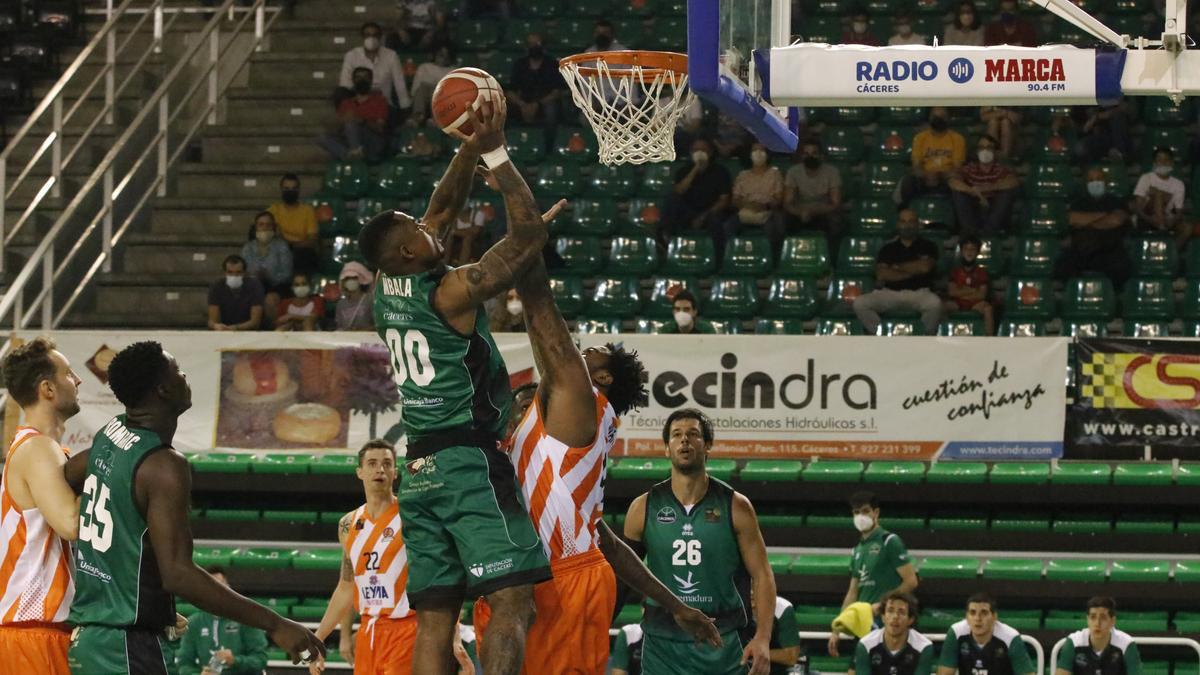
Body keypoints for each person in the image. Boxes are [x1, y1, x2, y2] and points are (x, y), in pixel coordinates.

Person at [469, 205, 720, 672]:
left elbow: (541, 312)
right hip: (553, 568)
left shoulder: (583, 404)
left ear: (599, 378)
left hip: (562, 579)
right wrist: (675, 604)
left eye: (590, 354)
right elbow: (607, 541)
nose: (578, 352)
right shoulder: (567, 431)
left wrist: (525, 230)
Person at [356, 98, 555, 675]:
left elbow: (443, 206)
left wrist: (468, 144)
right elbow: (522, 242)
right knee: (513, 598)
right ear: (411, 250)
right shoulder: (449, 292)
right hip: (466, 460)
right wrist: (496, 151)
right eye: (418, 230)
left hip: (418, 469)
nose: (428, 224)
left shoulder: (388, 286)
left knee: (437, 618)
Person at [65, 341, 323, 673]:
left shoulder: (112, 432)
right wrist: (275, 624)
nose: (185, 377)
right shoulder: (163, 465)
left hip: (91, 640)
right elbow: (179, 574)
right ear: (163, 389)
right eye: (178, 371)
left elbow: (67, 473)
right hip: (127, 647)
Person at [624, 408, 776, 675]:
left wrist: (763, 637)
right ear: (666, 448)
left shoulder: (736, 506)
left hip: (723, 645)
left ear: (707, 446)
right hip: (662, 647)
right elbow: (622, 576)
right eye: (676, 435)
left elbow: (762, 574)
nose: (684, 440)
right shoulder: (642, 508)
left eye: (693, 434)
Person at [0, 338, 82, 675]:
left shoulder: (43, 450)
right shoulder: (36, 448)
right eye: (69, 373)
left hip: (38, 632)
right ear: (47, 388)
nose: (78, 380)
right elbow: (72, 523)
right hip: (29, 632)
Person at [309, 440, 416, 675]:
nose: (380, 469)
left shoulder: (412, 515)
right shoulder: (347, 524)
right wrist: (318, 638)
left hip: (407, 628)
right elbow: (346, 588)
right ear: (360, 471)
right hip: (368, 630)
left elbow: (439, 573)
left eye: (387, 463)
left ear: (395, 472)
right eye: (372, 463)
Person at [828, 492, 918, 657]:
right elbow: (852, 592)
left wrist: (883, 605)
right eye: (856, 512)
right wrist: (836, 629)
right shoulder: (857, 549)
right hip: (863, 624)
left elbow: (911, 581)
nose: (860, 516)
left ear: (876, 513)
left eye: (865, 511)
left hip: (887, 621)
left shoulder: (889, 541)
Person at [852, 210, 943, 335]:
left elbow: (925, 268)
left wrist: (895, 268)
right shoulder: (888, 248)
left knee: (935, 304)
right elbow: (882, 274)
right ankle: (882, 334)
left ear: (917, 224)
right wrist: (914, 269)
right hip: (890, 293)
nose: (907, 225)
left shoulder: (928, 246)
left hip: (919, 293)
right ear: (898, 224)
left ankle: (923, 338)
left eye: (911, 221)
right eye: (903, 221)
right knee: (860, 303)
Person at [175, 568, 269, 675]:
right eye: (210, 586)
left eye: (220, 585)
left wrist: (235, 661)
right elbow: (184, 663)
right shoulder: (194, 622)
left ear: (228, 588)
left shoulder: (246, 618)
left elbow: (261, 659)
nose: (216, 590)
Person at [1056, 168, 1133, 289]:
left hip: (1110, 251)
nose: (1095, 183)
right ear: (1086, 184)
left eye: (1099, 179)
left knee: (1122, 269)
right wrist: (1104, 216)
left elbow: (1116, 220)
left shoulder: (1117, 202)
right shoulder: (1078, 202)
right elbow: (1073, 219)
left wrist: (1086, 222)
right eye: (1091, 180)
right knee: (1063, 266)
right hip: (1082, 250)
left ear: (1106, 182)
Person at [660, 137, 733, 251]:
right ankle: (668, 242)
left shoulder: (721, 172)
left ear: (710, 152)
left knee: (716, 221)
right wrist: (695, 170)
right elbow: (679, 191)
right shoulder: (684, 170)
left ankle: (717, 256)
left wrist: (703, 216)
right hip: (688, 211)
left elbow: (724, 200)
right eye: (696, 150)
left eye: (703, 150)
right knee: (671, 199)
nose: (699, 152)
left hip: (710, 212)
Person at [937, 593, 1036, 675]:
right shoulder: (956, 633)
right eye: (972, 612)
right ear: (966, 617)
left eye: (984, 613)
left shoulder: (1010, 637)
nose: (978, 619)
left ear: (994, 617)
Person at [847, 592, 935, 675]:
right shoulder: (866, 644)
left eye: (901, 612)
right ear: (883, 617)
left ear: (910, 620)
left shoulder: (923, 647)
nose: (895, 617)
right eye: (890, 611)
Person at [949, 134, 1019, 235]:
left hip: (994, 210)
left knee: (1006, 194)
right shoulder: (970, 169)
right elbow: (953, 182)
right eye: (981, 147)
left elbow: (1013, 182)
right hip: (974, 209)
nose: (985, 151)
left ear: (995, 151)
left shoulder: (1000, 170)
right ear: (977, 151)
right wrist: (973, 191)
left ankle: (989, 232)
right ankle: (970, 232)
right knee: (958, 194)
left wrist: (987, 188)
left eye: (989, 147)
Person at [725, 142, 786, 256]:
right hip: (745, 211)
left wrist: (764, 206)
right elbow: (735, 200)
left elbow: (778, 200)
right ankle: (731, 258)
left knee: (773, 229)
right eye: (755, 150)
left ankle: (771, 259)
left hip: (767, 212)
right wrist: (748, 205)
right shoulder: (743, 175)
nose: (758, 153)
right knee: (728, 227)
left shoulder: (775, 173)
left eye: (761, 150)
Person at [1054, 597, 1142, 675]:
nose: (1097, 623)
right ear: (1087, 620)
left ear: (1112, 621)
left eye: (1103, 618)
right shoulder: (1074, 642)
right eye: (1093, 617)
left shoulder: (1126, 644)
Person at [321, 66, 390, 162]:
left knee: (351, 124)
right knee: (323, 138)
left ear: (371, 80)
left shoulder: (380, 101)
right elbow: (337, 128)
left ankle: (354, 154)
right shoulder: (346, 103)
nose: (362, 80)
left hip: (371, 142)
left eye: (365, 77)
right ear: (353, 80)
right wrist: (341, 122)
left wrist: (360, 121)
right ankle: (351, 155)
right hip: (349, 138)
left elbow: (380, 128)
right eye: (358, 77)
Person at [338, 21, 410, 112]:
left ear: (380, 37)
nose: (371, 38)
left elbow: (400, 83)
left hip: (382, 103)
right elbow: (345, 83)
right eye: (367, 35)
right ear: (362, 37)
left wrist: (405, 107)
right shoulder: (352, 55)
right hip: (358, 101)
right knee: (340, 93)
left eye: (375, 35)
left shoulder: (391, 55)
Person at [507, 33, 563, 150]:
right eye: (531, 44)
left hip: (545, 101)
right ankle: (508, 147)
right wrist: (522, 105)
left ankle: (549, 148)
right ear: (527, 47)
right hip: (523, 101)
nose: (534, 47)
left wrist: (537, 105)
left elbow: (557, 92)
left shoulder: (552, 64)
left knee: (551, 111)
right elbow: (511, 91)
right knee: (501, 109)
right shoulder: (520, 64)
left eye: (537, 44)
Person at [900, 107, 966, 206]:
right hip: (924, 178)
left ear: (948, 118)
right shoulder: (920, 138)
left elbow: (957, 169)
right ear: (929, 118)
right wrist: (926, 175)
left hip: (946, 179)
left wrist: (939, 175)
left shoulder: (958, 139)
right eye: (935, 116)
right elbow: (916, 166)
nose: (938, 119)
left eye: (942, 116)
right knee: (908, 182)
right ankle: (908, 213)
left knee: (957, 184)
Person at [240, 210, 293, 323]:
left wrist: (269, 276)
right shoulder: (248, 248)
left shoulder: (281, 246)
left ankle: (272, 331)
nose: (265, 228)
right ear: (256, 227)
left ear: (273, 227)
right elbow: (243, 271)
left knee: (270, 299)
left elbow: (287, 274)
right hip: (253, 285)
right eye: (261, 224)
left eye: (268, 225)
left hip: (277, 286)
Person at [785, 139, 843, 239]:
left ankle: (832, 253)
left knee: (836, 221)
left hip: (823, 213)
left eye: (814, 153)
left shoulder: (832, 172)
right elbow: (787, 202)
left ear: (821, 155)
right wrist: (800, 213)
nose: (810, 156)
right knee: (782, 221)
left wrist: (814, 211)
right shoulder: (793, 172)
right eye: (806, 153)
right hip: (799, 213)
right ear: (802, 156)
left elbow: (835, 203)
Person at [268, 173, 320, 275]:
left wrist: (289, 244)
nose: (290, 191)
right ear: (281, 189)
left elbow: (312, 240)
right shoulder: (273, 210)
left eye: (294, 188)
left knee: (306, 255)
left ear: (299, 190)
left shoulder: (308, 210)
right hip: (280, 251)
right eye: (286, 188)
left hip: (302, 253)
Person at [1134, 147, 1187, 243]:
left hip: (1168, 218)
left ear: (1171, 163)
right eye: (1159, 160)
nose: (1163, 163)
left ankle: (1173, 252)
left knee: (1187, 228)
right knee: (1158, 193)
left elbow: (1178, 211)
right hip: (1147, 217)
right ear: (1154, 163)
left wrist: (1173, 221)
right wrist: (1150, 219)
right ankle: (1162, 228)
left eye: (1166, 160)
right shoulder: (1146, 178)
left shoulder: (1179, 184)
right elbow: (1138, 206)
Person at [946, 236, 995, 335]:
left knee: (988, 309)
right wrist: (973, 290)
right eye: (966, 249)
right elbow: (952, 292)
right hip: (957, 303)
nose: (969, 252)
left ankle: (989, 340)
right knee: (941, 307)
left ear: (977, 252)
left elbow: (981, 295)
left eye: (972, 249)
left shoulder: (982, 272)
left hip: (975, 304)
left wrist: (962, 291)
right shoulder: (955, 272)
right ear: (961, 251)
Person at [207, 254, 264, 331]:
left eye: (238, 272)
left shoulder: (254, 285)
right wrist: (216, 326)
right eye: (230, 272)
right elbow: (213, 320)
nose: (234, 275)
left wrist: (235, 328)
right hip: (224, 332)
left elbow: (255, 322)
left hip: (248, 332)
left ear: (244, 273)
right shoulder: (217, 286)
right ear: (224, 273)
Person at [412, 46, 456, 125]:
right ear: (435, 55)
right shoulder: (424, 67)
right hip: (425, 96)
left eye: (447, 55)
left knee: (437, 89)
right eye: (441, 55)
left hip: (444, 98)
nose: (444, 58)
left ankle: (436, 119)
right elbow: (416, 87)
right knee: (422, 88)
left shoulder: (453, 70)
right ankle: (418, 117)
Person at [335, 261, 375, 331]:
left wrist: (361, 331)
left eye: (354, 277)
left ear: (361, 279)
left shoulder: (370, 300)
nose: (350, 280)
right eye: (347, 278)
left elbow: (379, 325)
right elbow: (339, 326)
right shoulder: (341, 304)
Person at [768, 596, 802, 675]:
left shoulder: (782, 607)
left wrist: (753, 653)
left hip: (778, 669)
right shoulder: (734, 605)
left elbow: (791, 656)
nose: (752, 592)